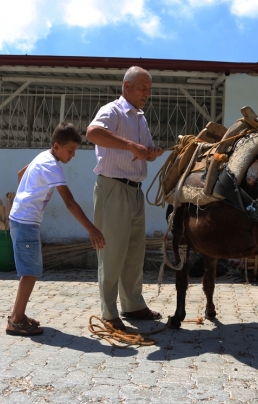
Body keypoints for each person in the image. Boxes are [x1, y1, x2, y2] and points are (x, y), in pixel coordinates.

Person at [6, 122, 105, 336]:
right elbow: (69, 202)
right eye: (71, 150)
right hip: (26, 222)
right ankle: (15, 320)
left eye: (75, 151)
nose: (73, 155)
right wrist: (91, 229)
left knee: (29, 270)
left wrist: (26, 195)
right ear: (57, 146)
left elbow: (20, 174)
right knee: (30, 272)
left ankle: (19, 316)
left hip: (20, 218)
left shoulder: (43, 156)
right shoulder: (52, 166)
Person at [86, 66, 165, 331]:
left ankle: (132, 304)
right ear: (127, 87)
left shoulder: (140, 119)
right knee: (111, 253)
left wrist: (151, 152)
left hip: (134, 190)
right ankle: (109, 314)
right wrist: (131, 146)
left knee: (133, 251)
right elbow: (93, 133)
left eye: (149, 89)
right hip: (113, 188)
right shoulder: (113, 110)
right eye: (143, 88)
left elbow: (145, 150)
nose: (147, 94)